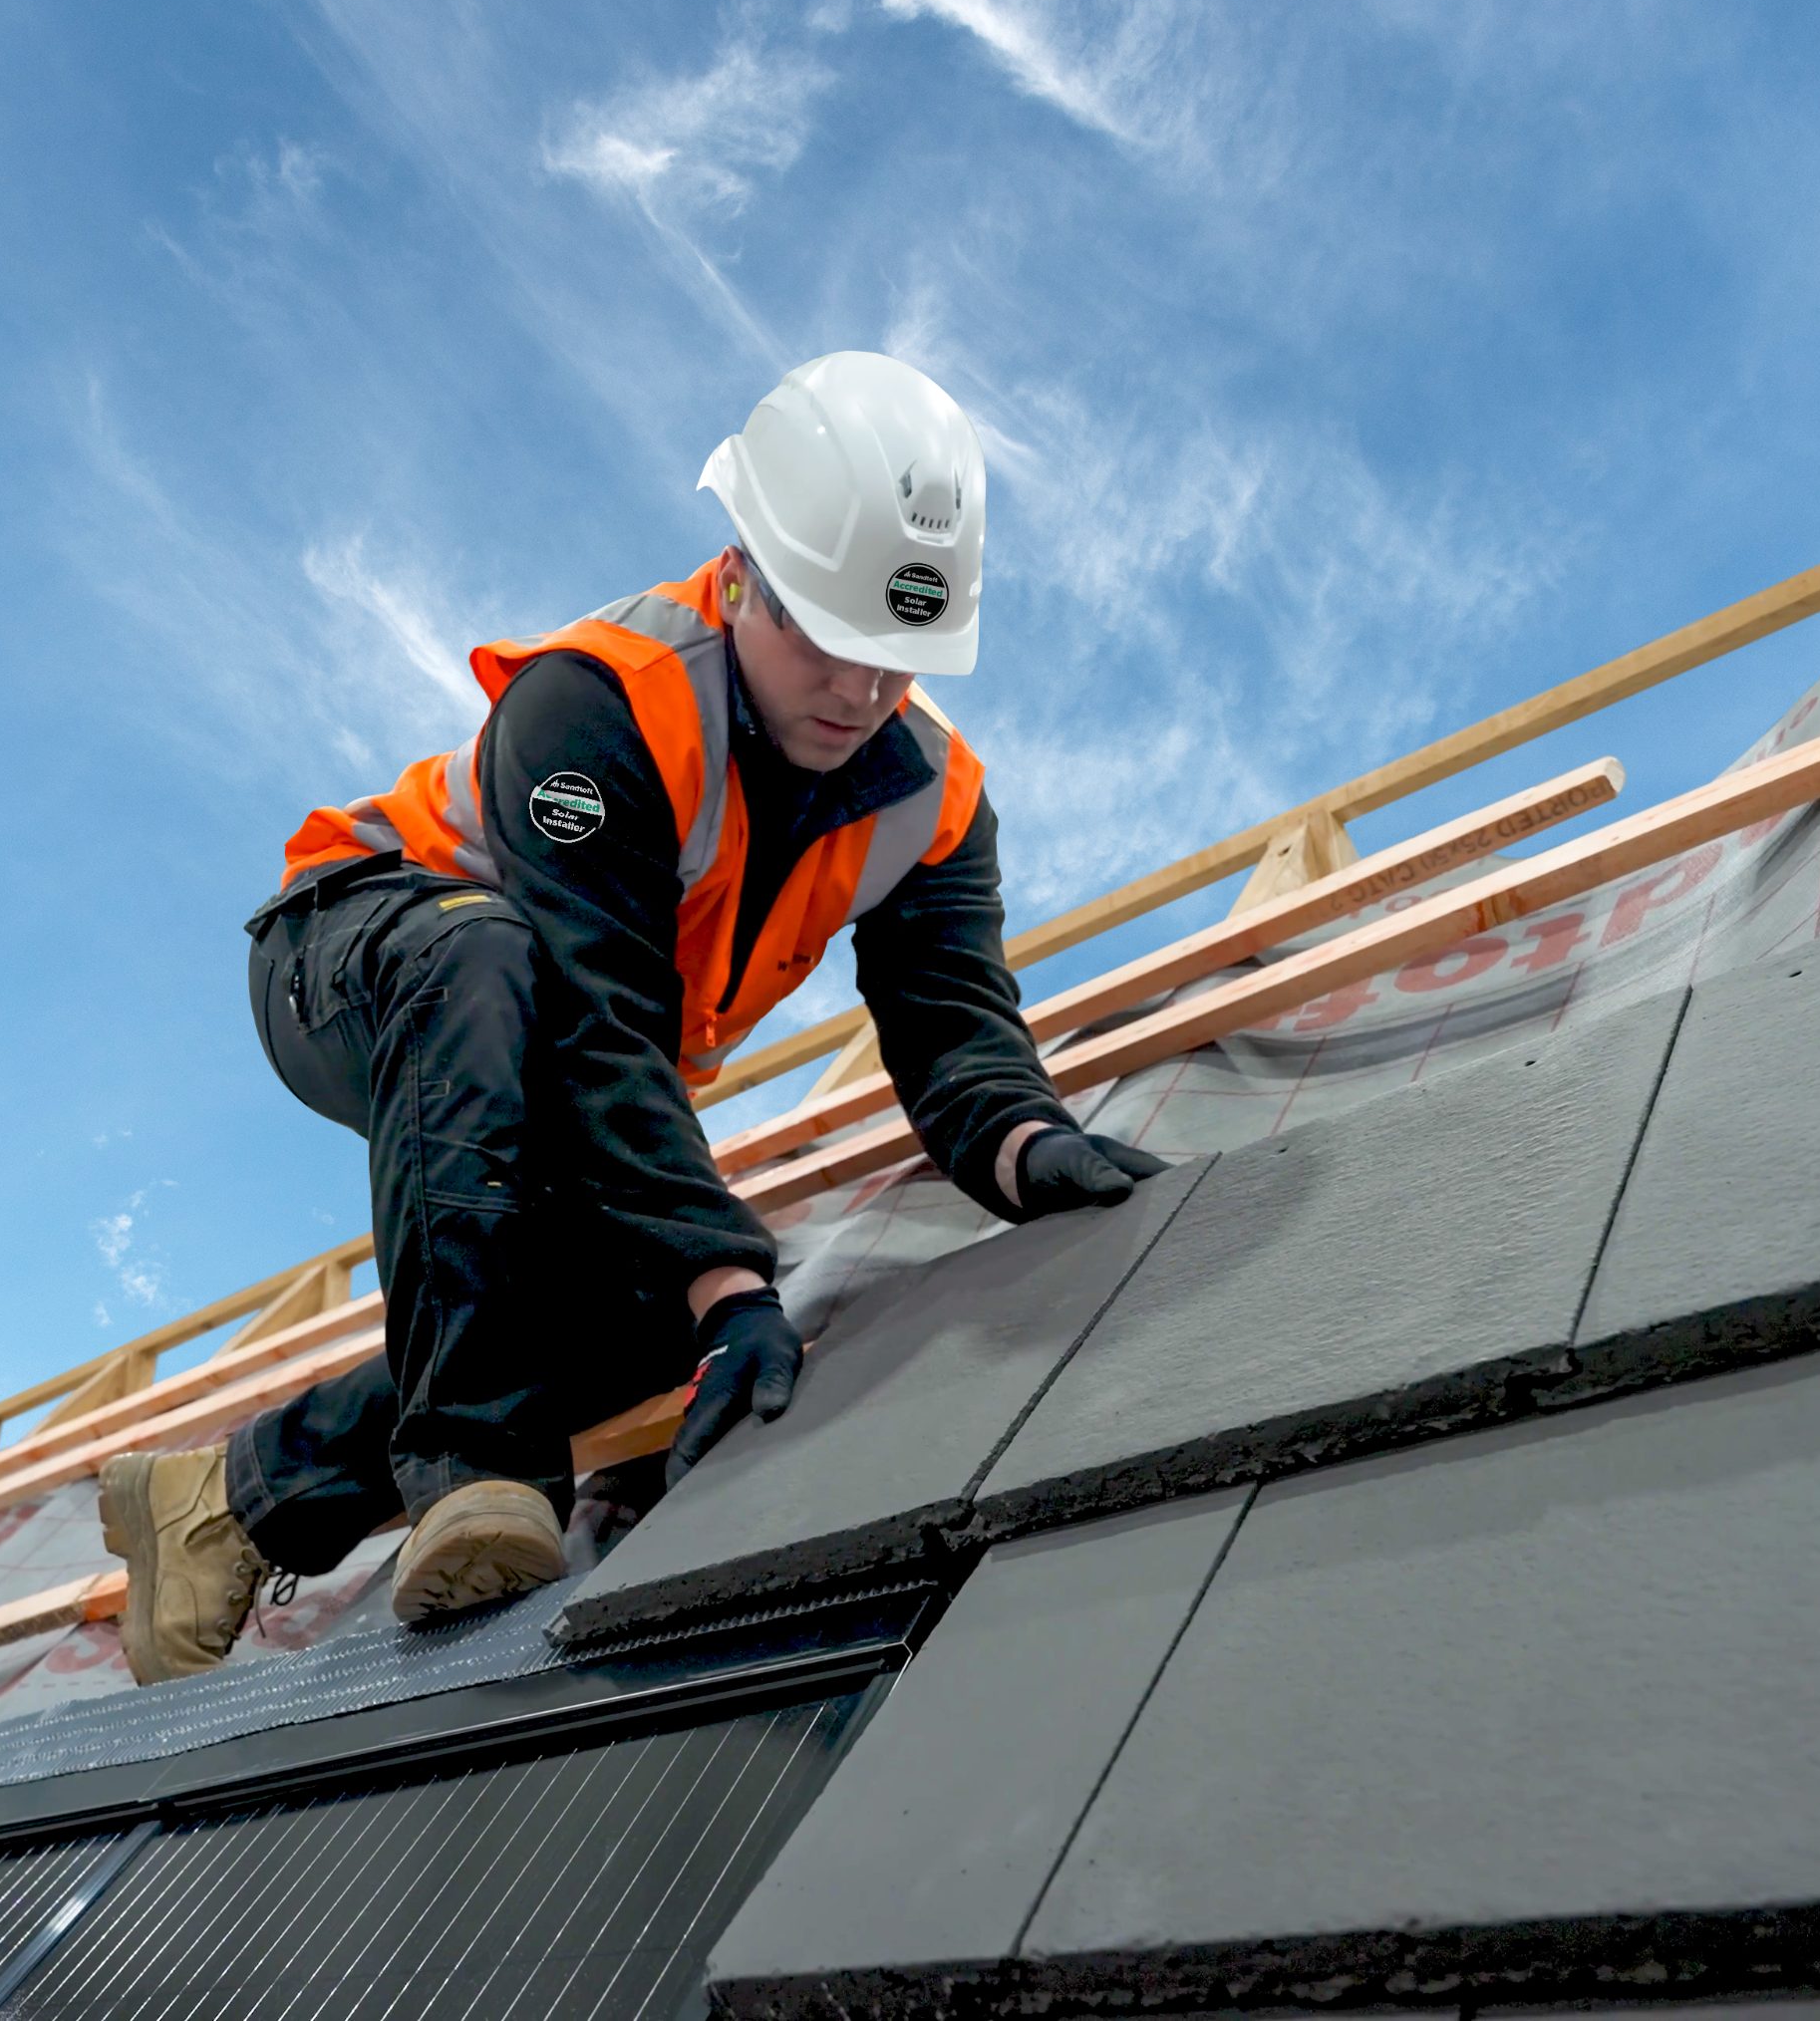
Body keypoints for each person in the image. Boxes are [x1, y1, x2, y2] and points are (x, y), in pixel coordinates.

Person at [97, 352, 1165, 1683]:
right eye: (826, 640)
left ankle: (226, 1503)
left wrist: (1022, 1143)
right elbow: (598, 1015)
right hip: (364, 952)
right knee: (490, 966)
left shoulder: (930, 804)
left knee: (661, 1324)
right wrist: (728, 1281)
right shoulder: (604, 702)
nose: (860, 692)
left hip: (546, 1044)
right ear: (739, 574)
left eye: (897, 661)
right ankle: (478, 1474)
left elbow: (949, 1019)